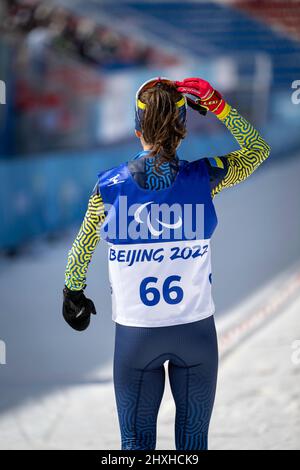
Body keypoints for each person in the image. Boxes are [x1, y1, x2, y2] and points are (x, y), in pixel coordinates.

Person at [63, 77, 270, 450]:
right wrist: (218, 105)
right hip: (196, 335)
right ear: (183, 128)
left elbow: (83, 245)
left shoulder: (108, 188)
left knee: (135, 446)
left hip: (135, 337)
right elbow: (257, 150)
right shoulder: (204, 177)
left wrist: (72, 290)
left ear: (136, 128)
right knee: (193, 446)